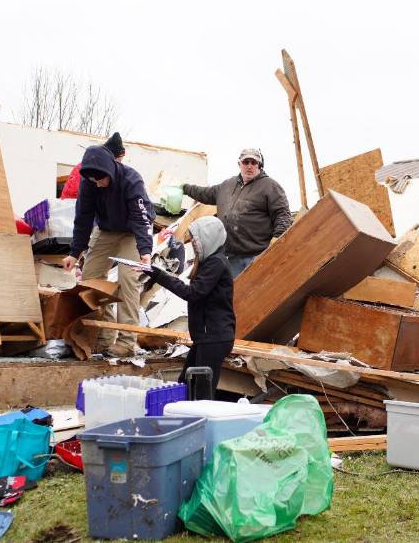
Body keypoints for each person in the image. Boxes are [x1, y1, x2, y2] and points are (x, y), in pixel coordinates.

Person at [62, 132, 154, 356]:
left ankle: (126, 341)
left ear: (111, 169)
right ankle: (102, 337)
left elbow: (140, 218)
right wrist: (75, 252)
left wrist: (145, 251)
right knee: (91, 279)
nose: (98, 183)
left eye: (101, 178)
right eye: (93, 180)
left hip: (132, 231)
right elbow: (83, 218)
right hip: (106, 229)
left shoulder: (132, 180)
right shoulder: (89, 183)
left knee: (127, 278)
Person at [141, 216, 234, 393]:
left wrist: (158, 274)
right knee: (186, 384)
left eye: (196, 240)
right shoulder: (210, 261)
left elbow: (192, 293)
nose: (193, 244)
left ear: (208, 239)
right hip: (206, 337)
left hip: (214, 337)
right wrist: (153, 272)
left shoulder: (216, 263)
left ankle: (201, 419)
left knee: (201, 391)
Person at [180, 148, 293, 278]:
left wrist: (277, 239)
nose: (249, 166)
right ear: (239, 164)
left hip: (256, 256)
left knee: (253, 293)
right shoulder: (228, 185)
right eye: (246, 162)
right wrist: (185, 188)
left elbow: (283, 215)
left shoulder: (270, 186)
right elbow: (205, 193)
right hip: (231, 256)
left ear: (259, 165)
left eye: (253, 162)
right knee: (234, 294)